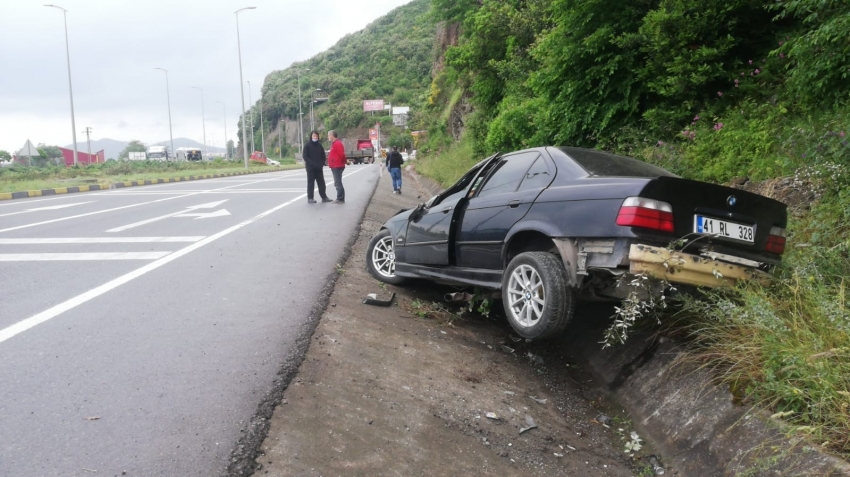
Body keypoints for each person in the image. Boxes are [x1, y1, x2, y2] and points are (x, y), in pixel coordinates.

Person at [302, 131, 331, 203]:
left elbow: (323, 155)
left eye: (316, 136)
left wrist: (322, 163)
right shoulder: (307, 146)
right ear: (311, 136)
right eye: (314, 136)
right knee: (311, 183)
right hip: (310, 168)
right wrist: (311, 163)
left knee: (321, 183)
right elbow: (305, 156)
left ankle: (324, 197)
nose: (315, 137)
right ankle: (310, 198)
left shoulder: (319, 146)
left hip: (319, 168)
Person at [327, 130, 346, 204]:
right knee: (337, 182)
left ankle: (340, 198)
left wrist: (344, 161)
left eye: (328, 135)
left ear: (332, 135)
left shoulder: (337, 144)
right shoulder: (334, 144)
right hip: (335, 165)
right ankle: (340, 198)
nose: (328, 137)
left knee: (338, 182)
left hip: (337, 166)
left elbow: (341, 155)